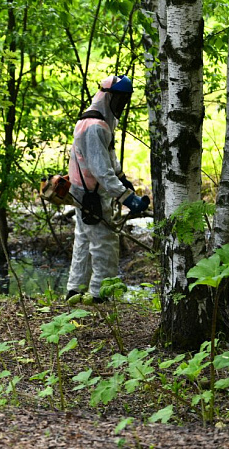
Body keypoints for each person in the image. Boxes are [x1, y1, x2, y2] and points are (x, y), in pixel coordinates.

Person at [65, 75, 149, 303]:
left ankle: (75, 289)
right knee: (104, 241)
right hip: (91, 194)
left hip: (82, 191)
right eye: (119, 99)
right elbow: (101, 170)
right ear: (107, 97)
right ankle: (101, 294)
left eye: (125, 100)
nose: (121, 104)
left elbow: (107, 158)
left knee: (83, 238)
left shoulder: (94, 121)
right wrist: (127, 198)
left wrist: (123, 180)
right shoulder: (95, 127)